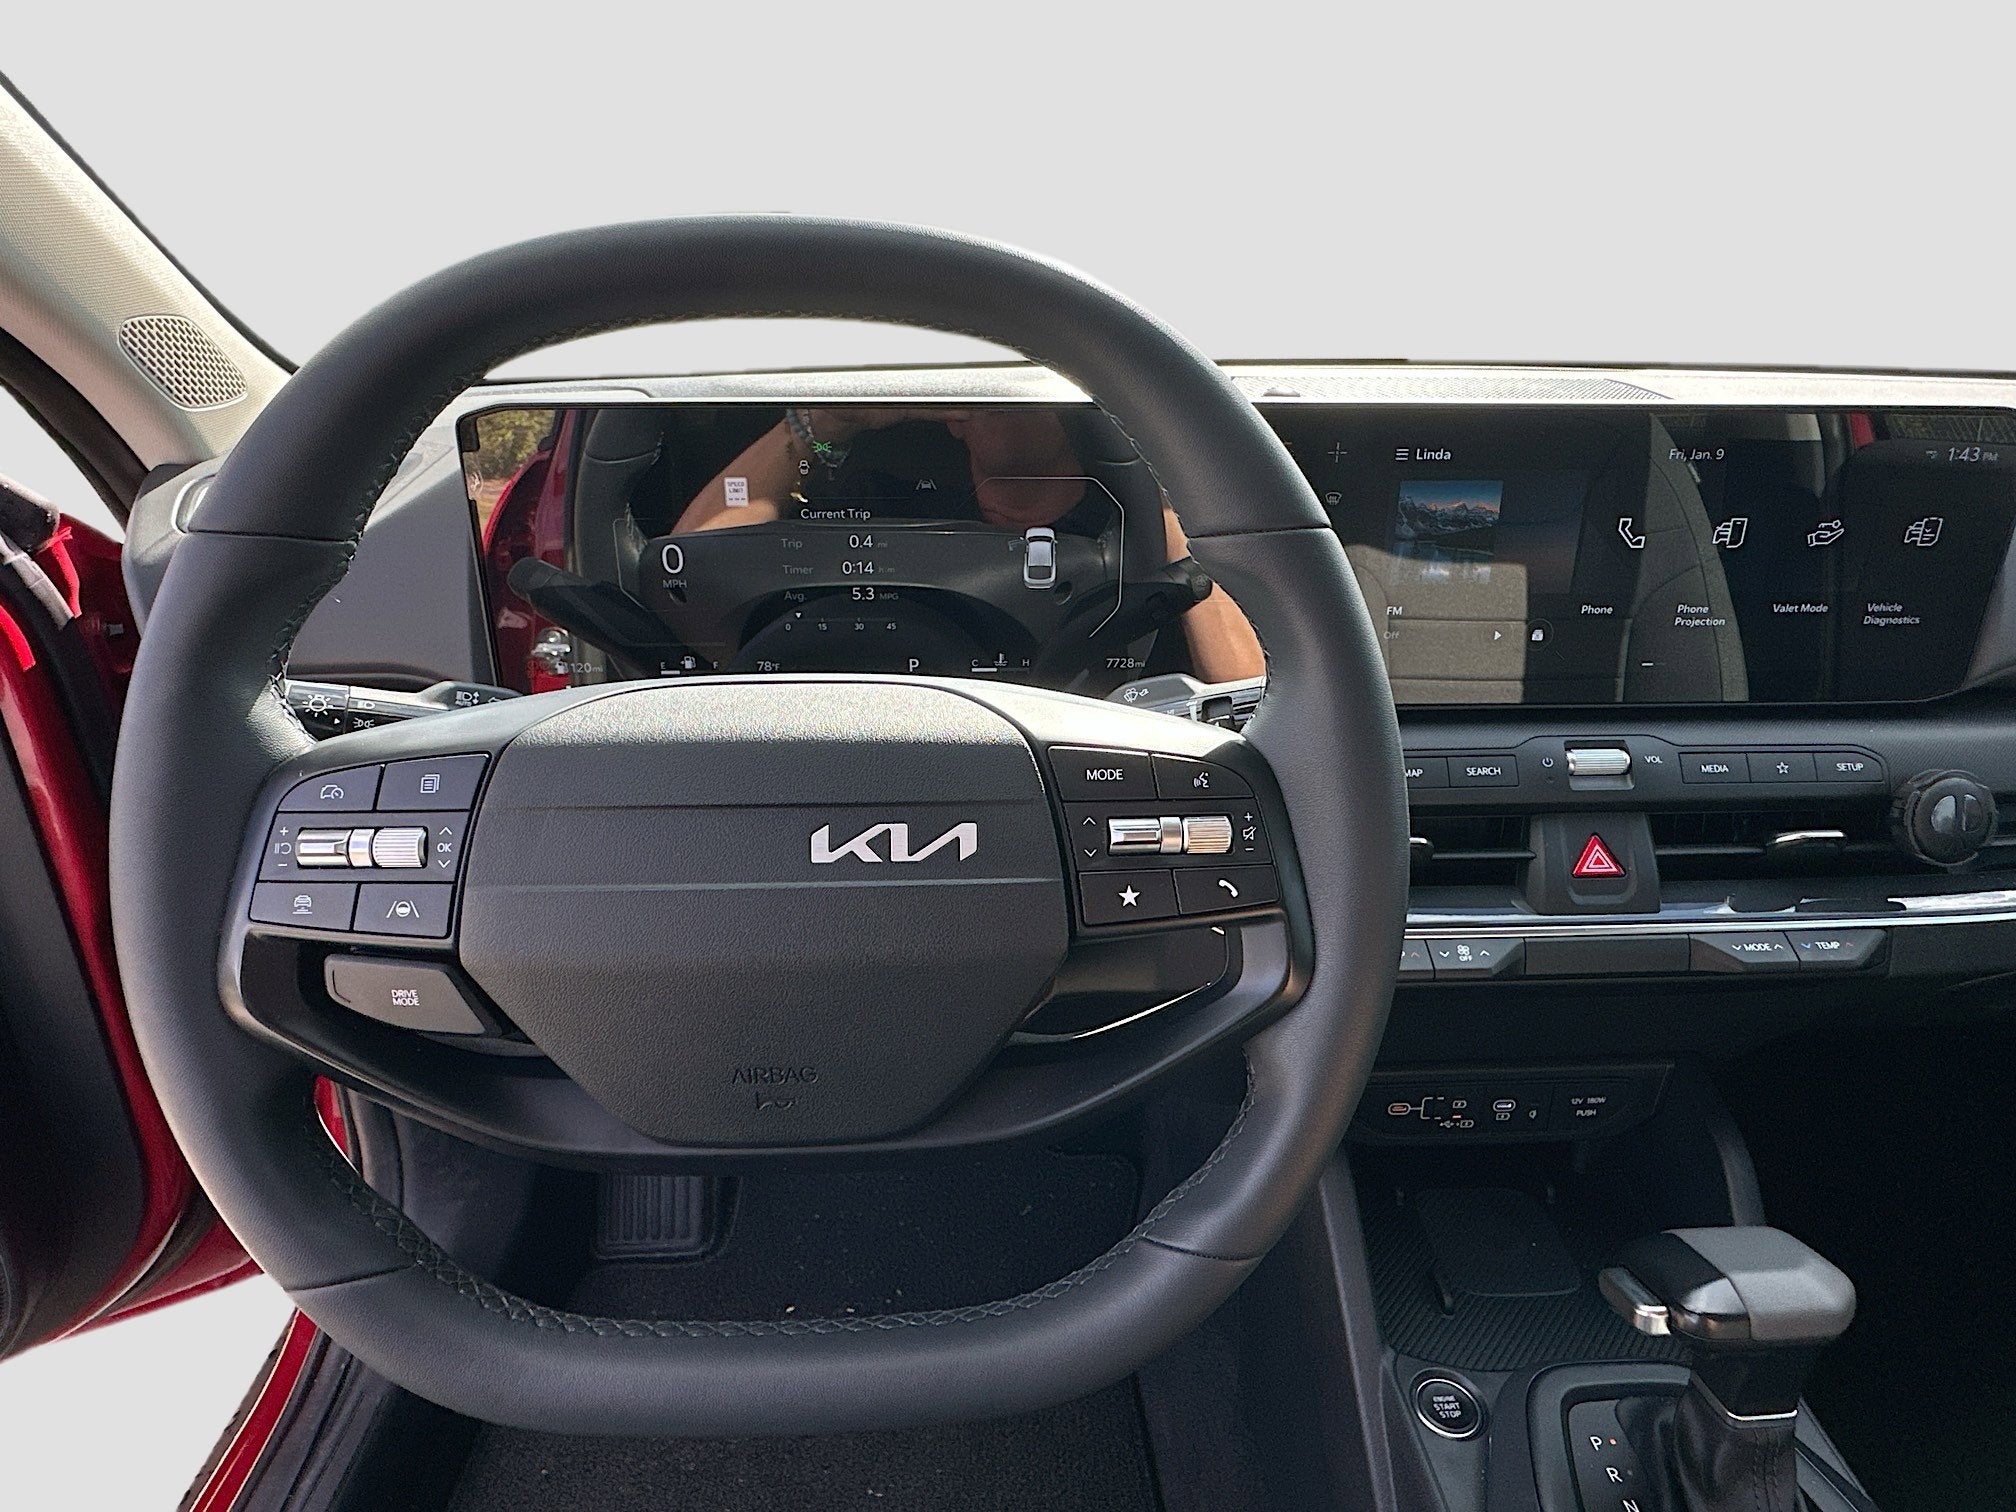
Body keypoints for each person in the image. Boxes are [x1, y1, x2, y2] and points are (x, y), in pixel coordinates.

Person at [673, 407, 1263, 682]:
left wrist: (1149, 479)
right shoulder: (886, 510)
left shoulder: (1146, 537)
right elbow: (688, 577)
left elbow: (1245, 687)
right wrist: (823, 421)